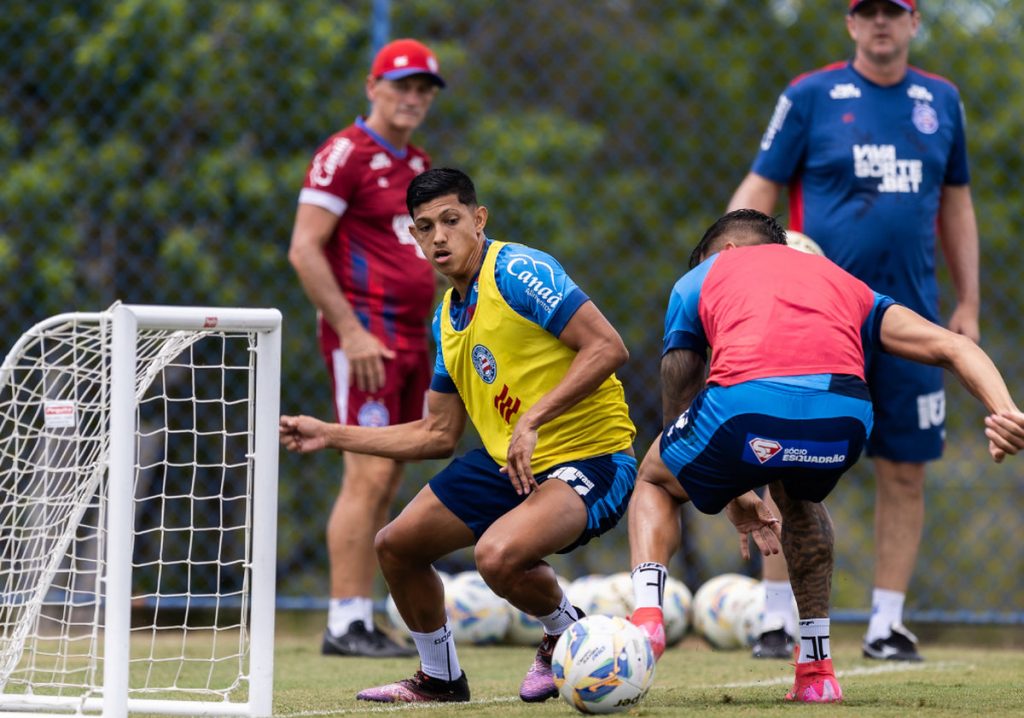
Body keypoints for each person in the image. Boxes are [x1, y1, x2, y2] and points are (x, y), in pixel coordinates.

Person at [627, 210, 1023, 703]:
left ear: (724, 253)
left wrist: (725, 488)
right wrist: (1005, 410)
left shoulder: (702, 276)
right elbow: (952, 346)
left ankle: (646, 622)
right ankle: (817, 670)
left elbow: (681, 385)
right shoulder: (844, 281)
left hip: (745, 409)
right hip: (844, 421)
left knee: (654, 479)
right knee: (801, 498)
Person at [281, 168, 638, 703]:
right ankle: (440, 678)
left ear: (478, 219)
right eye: (425, 227)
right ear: (414, 237)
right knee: (396, 546)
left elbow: (608, 347)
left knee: (496, 556)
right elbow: (436, 433)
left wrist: (532, 419)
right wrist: (331, 434)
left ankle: (564, 630)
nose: (439, 237)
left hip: (594, 459)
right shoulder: (446, 319)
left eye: (451, 221)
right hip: (513, 467)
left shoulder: (517, 270)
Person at [727, 0, 981, 661]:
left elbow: (957, 204)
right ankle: (777, 618)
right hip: (817, 318)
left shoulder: (941, 101)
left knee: (905, 470)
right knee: (787, 461)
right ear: (850, 23)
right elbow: (759, 188)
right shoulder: (811, 95)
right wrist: (732, 268)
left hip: (909, 315)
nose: (880, 23)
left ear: (913, 21)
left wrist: (969, 304)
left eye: (892, 12)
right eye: (866, 12)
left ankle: (885, 625)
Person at [286, 39, 446, 658]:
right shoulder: (344, 154)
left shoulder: (415, 163)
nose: (413, 98)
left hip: (413, 338)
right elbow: (305, 247)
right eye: (401, 85)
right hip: (367, 338)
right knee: (367, 472)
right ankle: (344, 621)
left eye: (424, 89)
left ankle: (362, 616)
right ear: (372, 87)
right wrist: (351, 332)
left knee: (389, 475)